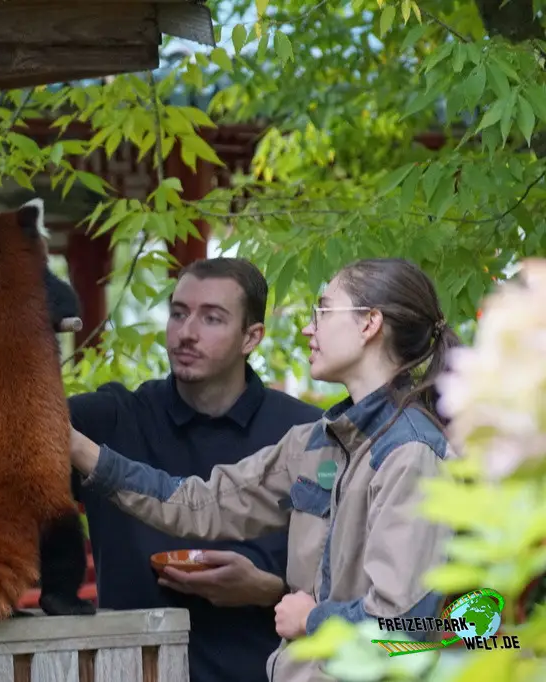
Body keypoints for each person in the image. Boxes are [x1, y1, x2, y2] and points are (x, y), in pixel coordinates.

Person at [69, 257, 462, 682]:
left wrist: (313, 619)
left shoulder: (411, 454)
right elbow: (198, 503)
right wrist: (73, 444)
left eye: (323, 311)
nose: (308, 329)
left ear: (369, 324)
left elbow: (405, 630)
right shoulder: (317, 442)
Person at [68, 257, 323, 682]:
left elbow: (357, 591)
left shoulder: (306, 435)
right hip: (135, 671)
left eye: (212, 318)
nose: (186, 333)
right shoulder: (113, 420)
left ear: (251, 337)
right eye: (178, 313)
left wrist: (270, 591)